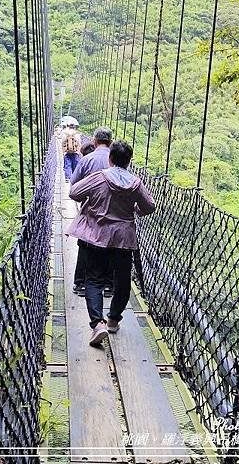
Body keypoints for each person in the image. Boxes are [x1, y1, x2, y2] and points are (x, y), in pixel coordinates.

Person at [68, 140, 155, 347]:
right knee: (122, 282)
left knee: (93, 280)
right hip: (123, 239)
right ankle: (113, 319)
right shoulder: (135, 182)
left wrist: (92, 202)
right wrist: (136, 209)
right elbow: (149, 206)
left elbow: (73, 192)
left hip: (95, 235)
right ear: (129, 161)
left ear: (110, 158)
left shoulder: (99, 177)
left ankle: (98, 324)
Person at [70, 127, 113, 297]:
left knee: (86, 244)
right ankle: (109, 285)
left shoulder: (87, 160)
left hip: (91, 209)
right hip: (113, 210)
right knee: (110, 246)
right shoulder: (118, 159)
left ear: (94, 142)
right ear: (110, 142)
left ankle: (80, 283)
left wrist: (84, 196)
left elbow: (73, 186)